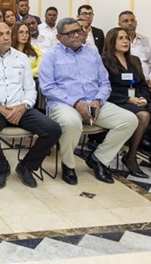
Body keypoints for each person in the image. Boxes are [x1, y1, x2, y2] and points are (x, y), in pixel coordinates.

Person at [39, 18, 137, 185]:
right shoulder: (51, 56)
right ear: (59, 37)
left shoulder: (92, 53)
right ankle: (68, 165)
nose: (77, 35)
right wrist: (76, 103)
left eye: (78, 31)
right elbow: (48, 88)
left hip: (94, 103)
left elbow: (104, 82)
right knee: (71, 122)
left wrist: (98, 100)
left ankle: (99, 159)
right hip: (64, 104)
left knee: (129, 120)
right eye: (70, 33)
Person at [0, 22, 62, 189]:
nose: (6, 37)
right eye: (0, 34)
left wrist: (23, 106)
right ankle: (2, 168)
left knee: (53, 129)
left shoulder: (21, 58)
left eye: (7, 33)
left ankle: (26, 166)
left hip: (20, 108)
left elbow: (31, 89)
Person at [102, 27, 151, 179]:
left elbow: (142, 84)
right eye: (121, 38)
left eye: (127, 38)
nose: (125, 41)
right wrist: (128, 99)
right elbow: (105, 87)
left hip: (138, 98)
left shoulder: (134, 60)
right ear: (112, 41)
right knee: (143, 116)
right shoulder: (104, 60)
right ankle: (131, 156)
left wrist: (144, 98)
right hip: (117, 99)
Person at [118, 10, 151, 88]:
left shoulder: (146, 40)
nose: (130, 23)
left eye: (132, 20)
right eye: (125, 21)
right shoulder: (116, 42)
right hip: (124, 83)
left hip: (147, 83)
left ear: (136, 23)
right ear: (119, 24)